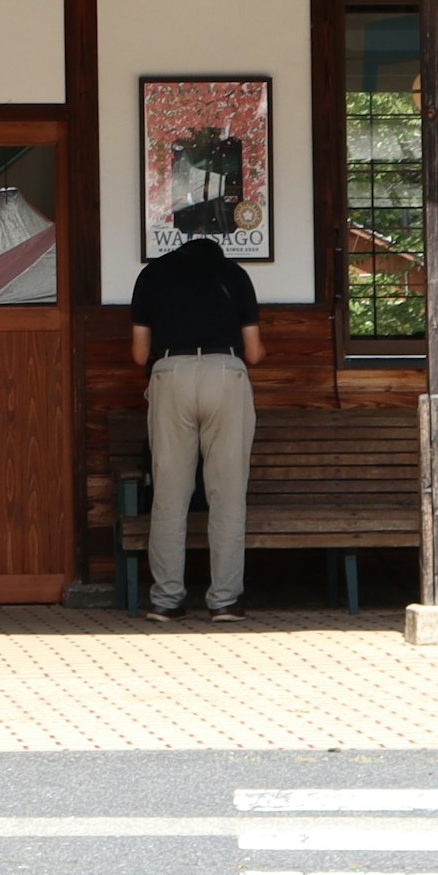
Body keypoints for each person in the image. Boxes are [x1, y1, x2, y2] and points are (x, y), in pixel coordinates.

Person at [131, 231, 263, 619]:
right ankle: (223, 601)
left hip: (170, 373)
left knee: (169, 492)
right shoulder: (234, 275)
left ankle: (166, 599)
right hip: (226, 373)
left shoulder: (152, 276)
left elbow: (140, 355)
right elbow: (253, 353)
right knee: (227, 492)